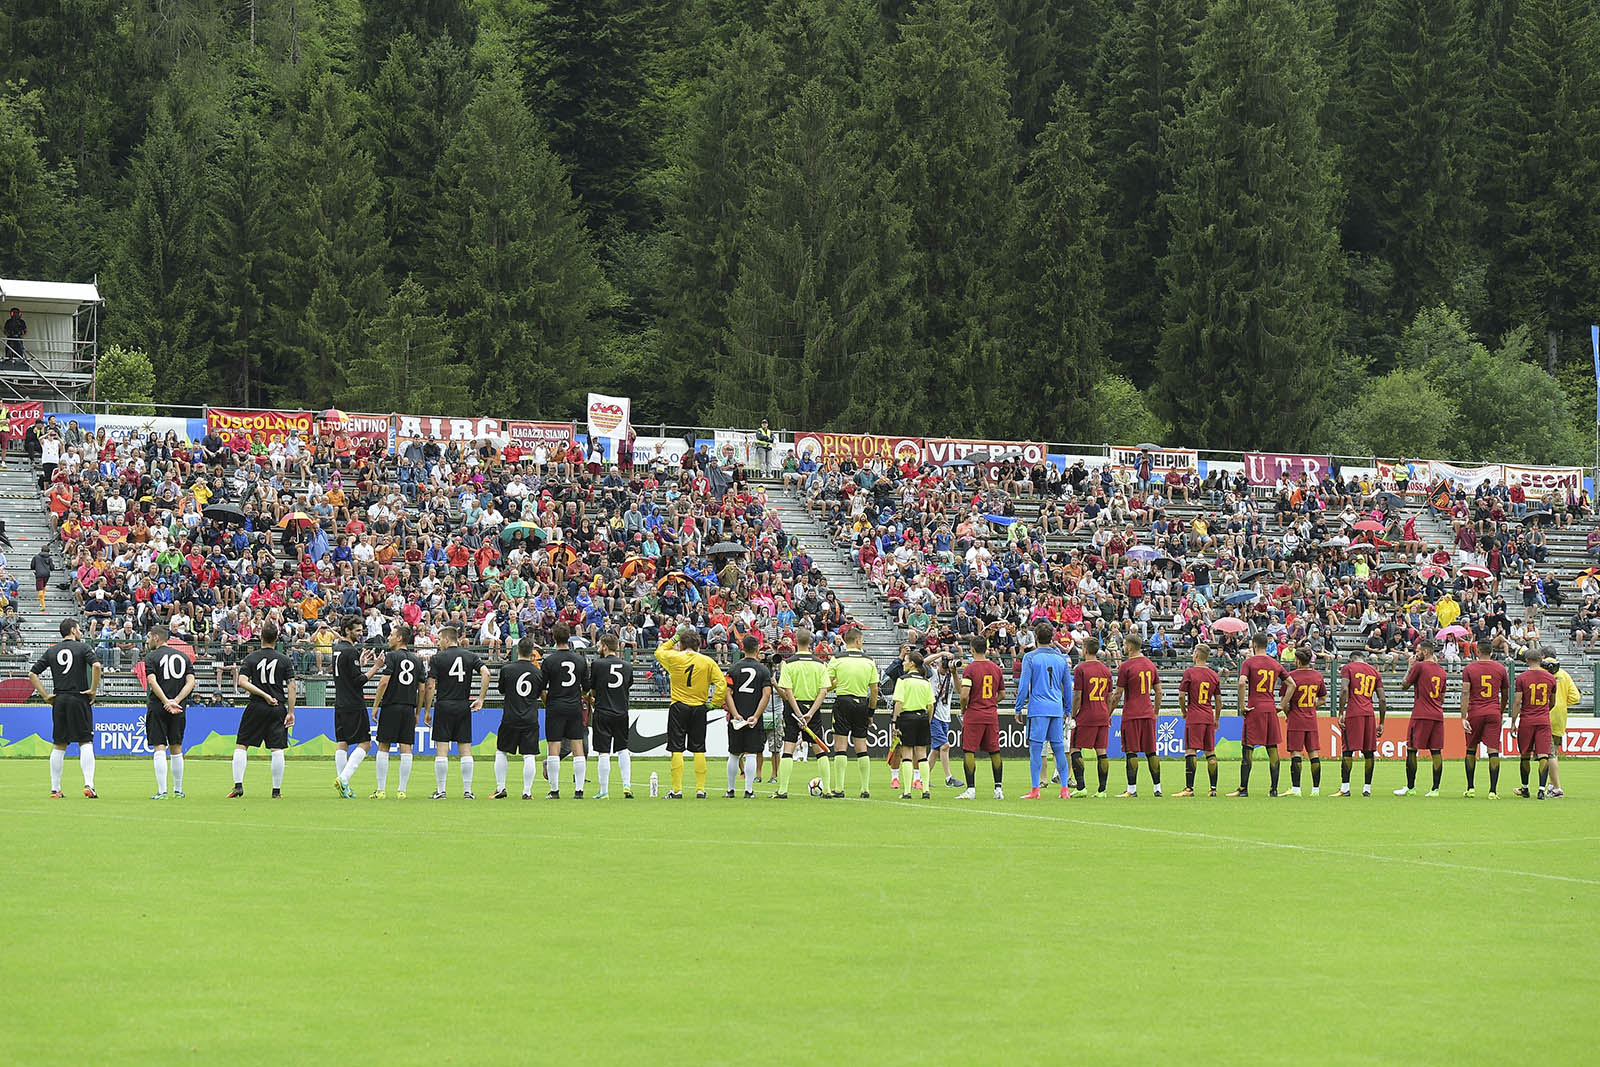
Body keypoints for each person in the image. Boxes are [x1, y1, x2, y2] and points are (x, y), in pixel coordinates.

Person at [30, 617, 100, 798]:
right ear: (73, 630)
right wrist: (92, 690)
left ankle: (55, 789)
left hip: (59, 699)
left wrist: (46, 696)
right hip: (79, 697)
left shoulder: (52, 650)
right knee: (85, 741)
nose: (80, 632)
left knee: (59, 744)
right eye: (78, 629)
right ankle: (89, 785)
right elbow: (97, 666)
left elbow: (32, 673)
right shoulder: (83, 647)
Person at [654, 624, 726, 798]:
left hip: (678, 706)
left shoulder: (674, 657)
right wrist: (714, 704)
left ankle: (677, 790)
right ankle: (700, 789)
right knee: (699, 748)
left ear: (681, 644)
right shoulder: (708, 661)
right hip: (699, 707)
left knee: (676, 748)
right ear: (699, 644)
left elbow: (659, 651)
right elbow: (721, 684)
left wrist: (674, 638)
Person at [231, 621, 296, 799]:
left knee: (242, 745)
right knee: (277, 748)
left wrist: (263, 694)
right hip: (277, 708)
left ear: (261, 637)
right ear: (276, 638)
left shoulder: (251, 658)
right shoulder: (284, 659)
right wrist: (291, 711)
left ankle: (238, 786)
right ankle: (276, 791)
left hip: (256, 706)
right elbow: (292, 686)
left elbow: (242, 681)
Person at [427, 625, 489, 799]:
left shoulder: (437, 658)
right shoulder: (470, 656)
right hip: (463, 706)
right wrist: (481, 698)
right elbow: (486, 673)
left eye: (439, 640)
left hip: (444, 705)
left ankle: (441, 791)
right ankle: (468, 791)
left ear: (447, 639)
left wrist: (427, 708)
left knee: (442, 749)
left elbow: (430, 685)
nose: (439, 643)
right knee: (465, 749)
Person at [368, 624, 427, 799]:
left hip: (391, 706)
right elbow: (422, 689)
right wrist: (418, 712)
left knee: (383, 745)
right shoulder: (417, 660)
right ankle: (402, 790)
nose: (389, 638)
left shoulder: (391, 656)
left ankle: (381, 789)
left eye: (392, 635)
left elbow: (384, 682)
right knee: (406, 747)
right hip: (408, 708)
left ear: (399, 638)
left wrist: (376, 705)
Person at [1015, 623, 1071, 800]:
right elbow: (1067, 686)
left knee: (1036, 749)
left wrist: (1018, 707)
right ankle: (1064, 788)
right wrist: (1067, 708)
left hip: (1038, 708)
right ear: (1052, 638)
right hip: (1056, 708)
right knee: (1059, 748)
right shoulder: (1061, 659)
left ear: (1036, 638)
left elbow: (1024, 685)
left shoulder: (1030, 657)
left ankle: (1035, 789)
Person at [774, 628, 830, 799]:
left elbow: (788, 692)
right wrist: (810, 713)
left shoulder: (788, 663)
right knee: (820, 750)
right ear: (811, 642)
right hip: (812, 708)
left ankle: (783, 790)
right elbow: (823, 691)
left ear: (795, 642)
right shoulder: (820, 664)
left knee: (788, 748)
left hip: (793, 709)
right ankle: (827, 790)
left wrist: (798, 714)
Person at [825, 626, 878, 798]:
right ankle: (865, 789)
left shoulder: (837, 659)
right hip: (861, 703)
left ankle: (839, 788)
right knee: (861, 746)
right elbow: (875, 689)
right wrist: (871, 712)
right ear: (857, 641)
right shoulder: (869, 661)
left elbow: (826, 683)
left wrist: (838, 683)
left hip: (843, 702)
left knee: (840, 746)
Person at [1231, 633, 1286, 797]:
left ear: (1254, 644)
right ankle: (1273, 789)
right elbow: (1291, 684)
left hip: (1254, 708)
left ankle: (1243, 789)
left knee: (1248, 747)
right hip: (1270, 709)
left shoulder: (1249, 662)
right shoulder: (1275, 663)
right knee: (1272, 748)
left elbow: (1241, 682)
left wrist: (1242, 706)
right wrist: (1282, 705)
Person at [143, 625, 195, 799]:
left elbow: (152, 681)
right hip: (178, 708)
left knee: (159, 746)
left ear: (157, 638)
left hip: (159, 706)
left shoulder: (151, 657)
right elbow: (191, 682)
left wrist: (166, 701)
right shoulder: (183, 657)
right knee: (176, 747)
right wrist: (176, 700)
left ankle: (162, 791)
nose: (147, 640)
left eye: (149, 637)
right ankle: (178, 790)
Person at [542, 623, 591, 798]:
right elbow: (586, 688)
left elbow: (542, 688)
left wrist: (547, 702)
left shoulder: (549, 661)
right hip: (574, 706)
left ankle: (554, 791)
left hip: (555, 706)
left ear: (554, 639)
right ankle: (579, 791)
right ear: (569, 638)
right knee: (577, 746)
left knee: (553, 747)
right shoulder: (580, 660)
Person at [957, 635, 1007, 800]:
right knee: (994, 750)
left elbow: (964, 695)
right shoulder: (996, 668)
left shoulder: (970, 669)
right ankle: (998, 789)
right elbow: (1002, 694)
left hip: (974, 714)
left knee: (969, 750)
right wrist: (991, 701)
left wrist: (964, 709)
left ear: (972, 649)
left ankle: (971, 789)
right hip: (991, 714)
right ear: (986, 649)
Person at [1113, 634, 1163, 798]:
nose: (1124, 648)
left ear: (1130, 647)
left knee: (1131, 751)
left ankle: (1132, 789)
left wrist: (1109, 712)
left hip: (1132, 714)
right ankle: (1157, 788)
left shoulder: (1125, 666)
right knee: (1151, 751)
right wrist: (1155, 712)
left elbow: (1118, 693)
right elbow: (1159, 692)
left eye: (1125, 645)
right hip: (1147, 713)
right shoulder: (1150, 665)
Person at [495, 637, 544, 799]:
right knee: (529, 755)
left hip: (510, 716)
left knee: (502, 751)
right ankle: (527, 791)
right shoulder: (538, 672)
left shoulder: (507, 669)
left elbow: (502, 691)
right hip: (530, 717)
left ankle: (501, 788)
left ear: (517, 651)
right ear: (532, 653)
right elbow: (538, 694)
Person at [1397, 640, 1448, 796]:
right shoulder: (1442, 671)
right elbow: (1443, 697)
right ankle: (1435, 789)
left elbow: (1404, 685)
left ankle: (1410, 787)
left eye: (1418, 651)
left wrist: (1409, 667)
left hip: (1421, 714)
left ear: (1426, 652)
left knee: (1412, 749)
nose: (1415, 654)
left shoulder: (1419, 666)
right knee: (1436, 751)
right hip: (1437, 714)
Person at [723, 635, 771, 798]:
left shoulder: (733, 669)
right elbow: (766, 695)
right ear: (758, 649)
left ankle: (730, 790)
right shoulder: (764, 670)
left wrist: (735, 714)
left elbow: (727, 693)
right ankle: (749, 790)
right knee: (751, 753)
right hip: (753, 718)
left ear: (742, 648)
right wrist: (756, 716)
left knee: (734, 754)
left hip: (737, 719)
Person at [588, 632, 635, 798]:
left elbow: (592, 689)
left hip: (603, 711)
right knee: (623, 749)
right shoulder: (627, 666)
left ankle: (604, 790)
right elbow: (627, 686)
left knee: (603, 752)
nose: (599, 648)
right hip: (622, 712)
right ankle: (627, 785)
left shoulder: (597, 664)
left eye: (600, 645)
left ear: (605, 646)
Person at [1460, 644, 1510, 798]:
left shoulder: (1469, 669)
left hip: (1475, 712)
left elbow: (1465, 692)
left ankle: (1470, 788)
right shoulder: (1500, 669)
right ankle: (1493, 791)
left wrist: (1463, 716)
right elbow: (1506, 693)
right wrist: (1499, 711)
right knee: (1493, 750)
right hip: (1493, 712)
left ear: (1478, 651)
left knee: (1470, 749)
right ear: (1492, 652)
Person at [332, 617, 373, 797]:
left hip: (340, 702)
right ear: (347, 630)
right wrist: (375, 668)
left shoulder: (337, 650)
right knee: (365, 743)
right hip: (353, 704)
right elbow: (358, 681)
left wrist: (360, 665)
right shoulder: (350, 651)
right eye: (357, 630)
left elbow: (348, 673)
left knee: (343, 743)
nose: (361, 633)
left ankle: (343, 785)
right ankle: (344, 779)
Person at [1070, 636, 1115, 797]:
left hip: (1086, 714)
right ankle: (1102, 790)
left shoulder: (1081, 669)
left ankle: (1081, 787)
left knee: (1075, 747)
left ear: (1085, 650)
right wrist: (1107, 714)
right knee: (1101, 751)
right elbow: (1110, 697)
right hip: (1102, 713)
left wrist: (1073, 714)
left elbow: (1077, 695)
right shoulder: (1105, 670)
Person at [1174, 644, 1221, 797]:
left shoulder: (1190, 672)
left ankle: (1189, 788)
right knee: (1210, 752)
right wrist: (1217, 718)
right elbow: (1218, 700)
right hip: (1208, 715)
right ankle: (1213, 789)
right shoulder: (1214, 675)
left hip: (1194, 716)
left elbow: (1181, 695)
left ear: (1196, 655)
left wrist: (1184, 711)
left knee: (1190, 751)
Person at [1336, 650, 1385, 796]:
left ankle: (1345, 788)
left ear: (1352, 659)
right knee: (1369, 752)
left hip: (1353, 713)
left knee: (1347, 750)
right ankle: (1367, 789)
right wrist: (1381, 722)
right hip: (1369, 714)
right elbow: (1382, 699)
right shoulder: (1374, 672)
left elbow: (1344, 689)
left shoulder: (1348, 668)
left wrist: (1340, 712)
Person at [1279, 648, 1326, 796]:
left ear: (1298, 661)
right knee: (1314, 753)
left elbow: (1284, 703)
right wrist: (1312, 705)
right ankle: (1315, 790)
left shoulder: (1291, 677)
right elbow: (1323, 699)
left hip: (1296, 719)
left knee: (1296, 753)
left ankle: (1296, 789)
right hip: (1311, 719)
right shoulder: (1318, 676)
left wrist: (1288, 713)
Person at [1511, 647, 1555, 799]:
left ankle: (1525, 788)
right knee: (1544, 755)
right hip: (1543, 720)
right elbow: (1552, 702)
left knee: (1525, 755)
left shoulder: (1522, 678)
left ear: (1527, 660)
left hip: (1527, 720)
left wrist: (1513, 722)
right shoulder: (1550, 678)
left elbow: (1517, 702)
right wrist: (1543, 711)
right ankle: (1542, 790)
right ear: (1541, 660)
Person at [891, 650, 935, 799]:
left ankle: (907, 791)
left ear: (912, 663)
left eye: (906, 660)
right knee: (922, 755)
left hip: (907, 718)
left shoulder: (903, 680)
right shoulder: (925, 682)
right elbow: (931, 706)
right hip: (922, 717)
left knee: (907, 755)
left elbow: (899, 702)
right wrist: (927, 720)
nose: (903, 663)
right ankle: (926, 790)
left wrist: (894, 722)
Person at [1543, 648, 1580, 798]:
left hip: (1543, 715)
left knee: (1549, 754)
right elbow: (1575, 697)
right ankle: (1552, 785)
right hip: (1560, 717)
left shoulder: (1542, 672)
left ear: (1544, 657)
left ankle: (1557, 788)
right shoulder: (1564, 674)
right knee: (1554, 752)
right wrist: (1562, 702)